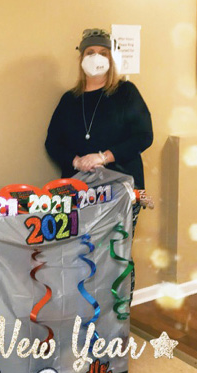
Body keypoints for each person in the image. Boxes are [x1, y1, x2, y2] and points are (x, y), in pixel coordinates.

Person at [45, 28, 153, 300]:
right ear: (81, 58)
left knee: (117, 252)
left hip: (120, 191)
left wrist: (104, 156)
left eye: (103, 53)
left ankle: (118, 314)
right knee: (79, 251)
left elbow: (144, 135)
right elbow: (52, 142)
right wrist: (75, 160)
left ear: (111, 59)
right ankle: (85, 311)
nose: (96, 58)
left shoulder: (126, 93)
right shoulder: (69, 100)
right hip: (78, 191)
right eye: (91, 53)